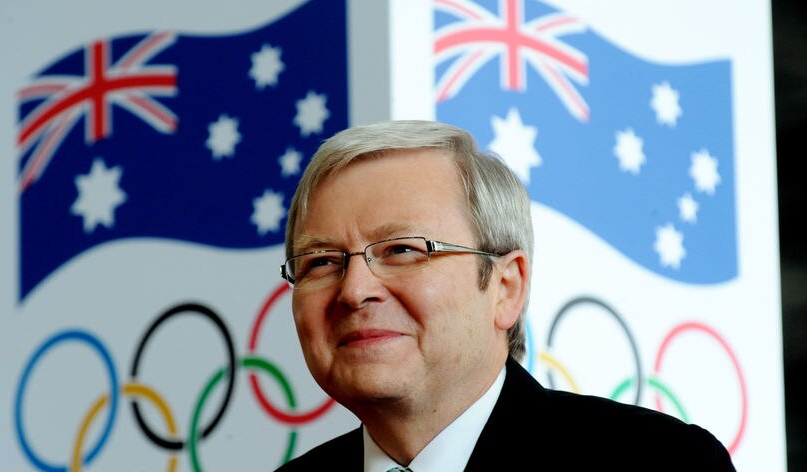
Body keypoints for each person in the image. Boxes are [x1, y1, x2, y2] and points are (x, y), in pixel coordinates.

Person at [275, 120, 736, 471]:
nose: (354, 290)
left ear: (506, 288)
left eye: (402, 250)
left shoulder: (662, 464)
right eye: (321, 262)